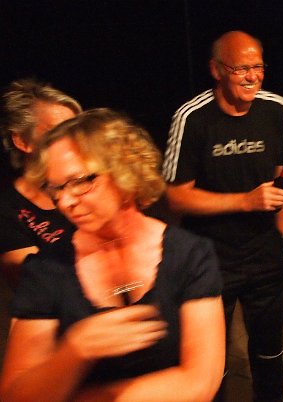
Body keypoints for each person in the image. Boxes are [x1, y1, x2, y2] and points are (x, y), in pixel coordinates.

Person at [0, 108, 225, 401]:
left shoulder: (189, 255)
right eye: (56, 188)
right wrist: (74, 351)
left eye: (80, 181)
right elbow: (15, 395)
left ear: (124, 170)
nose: (65, 202)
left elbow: (199, 383)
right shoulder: (47, 270)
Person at [162, 30, 283, 402]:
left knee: (270, 352)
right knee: (210, 361)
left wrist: (282, 238)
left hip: (266, 257)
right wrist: (244, 202)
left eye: (258, 66)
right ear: (216, 69)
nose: (252, 76)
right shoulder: (192, 118)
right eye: (241, 68)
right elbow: (176, 197)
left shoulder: (277, 109)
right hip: (209, 260)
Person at [0, 79, 81, 288]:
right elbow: (37, 285)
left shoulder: (90, 185)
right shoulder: (7, 210)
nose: (74, 140)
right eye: (57, 131)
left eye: (76, 130)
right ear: (22, 141)